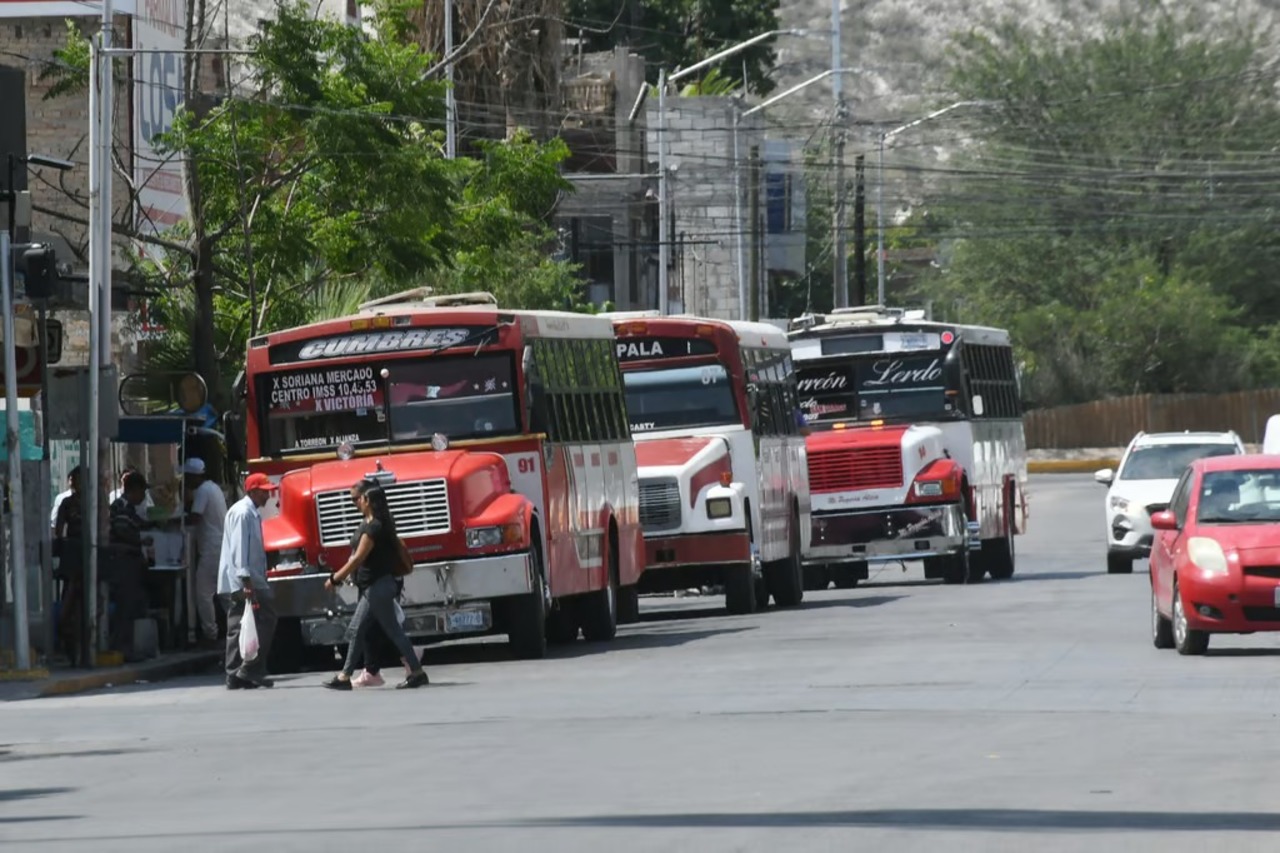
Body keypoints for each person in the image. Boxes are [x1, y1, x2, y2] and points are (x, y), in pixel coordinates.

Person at [323, 479, 428, 690]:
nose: (356, 503)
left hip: (377, 587)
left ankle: (345, 676)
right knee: (378, 630)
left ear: (367, 500)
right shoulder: (375, 523)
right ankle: (416, 672)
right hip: (376, 586)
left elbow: (358, 558)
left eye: (358, 499)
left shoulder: (374, 527)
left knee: (363, 629)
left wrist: (335, 578)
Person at [217, 473, 278, 690]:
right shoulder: (243, 513)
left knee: (239, 625)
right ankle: (250, 669)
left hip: (246, 578)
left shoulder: (249, 512)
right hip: (246, 579)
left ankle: (236, 674)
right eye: (264, 492)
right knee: (265, 619)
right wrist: (246, 581)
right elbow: (239, 549)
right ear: (253, 491)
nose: (268, 496)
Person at [106, 471, 155, 662]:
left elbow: (138, 524)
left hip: (130, 562)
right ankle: (121, 647)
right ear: (134, 490)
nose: (143, 497)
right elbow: (122, 531)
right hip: (122, 562)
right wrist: (141, 542)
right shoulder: (120, 507)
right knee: (125, 607)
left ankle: (127, 646)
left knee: (133, 605)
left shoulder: (129, 509)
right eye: (142, 492)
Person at [183, 458, 227, 647]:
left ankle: (210, 634)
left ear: (194, 476)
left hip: (211, 549)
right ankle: (241, 628)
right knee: (224, 593)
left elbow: (195, 518)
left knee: (203, 593)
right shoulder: (213, 488)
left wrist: (177, 519)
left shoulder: (202, 491)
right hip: (221, 546)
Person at [52, 466, 85, 662]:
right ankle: (63, 628)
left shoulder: (95, 501)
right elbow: (59, 530)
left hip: (90, 551)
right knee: (70, 591)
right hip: (72, 551)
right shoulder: (66, 503)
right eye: (74, 479)